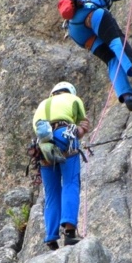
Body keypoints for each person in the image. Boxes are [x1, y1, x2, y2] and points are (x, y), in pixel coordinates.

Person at [33, 81, 91, 250]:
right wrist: (81, 130)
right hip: (65, 136)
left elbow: (37, 127)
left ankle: (51, 237)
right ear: (69, 91)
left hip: (42, 146)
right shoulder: (73, 99)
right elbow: (82, 124)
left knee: (51, 193)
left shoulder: (41, 105)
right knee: (70, 183)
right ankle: (70, 232)